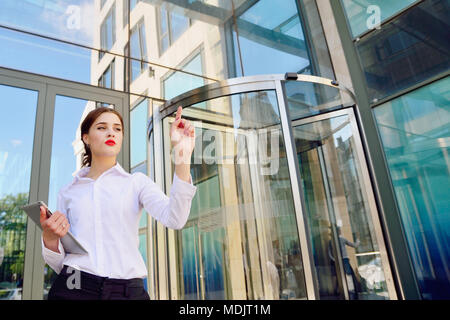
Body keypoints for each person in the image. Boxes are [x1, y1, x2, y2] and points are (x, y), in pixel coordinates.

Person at [39, 106, 197, 300]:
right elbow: (59, 262)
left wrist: (183, 153)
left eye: (117, 129)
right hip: (74, 285)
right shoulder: (68, 191)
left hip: (127, 290)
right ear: (86, 138)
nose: (111, 132)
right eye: (102, 127)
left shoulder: (137, 183)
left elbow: (176, 219)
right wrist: (50, 238)